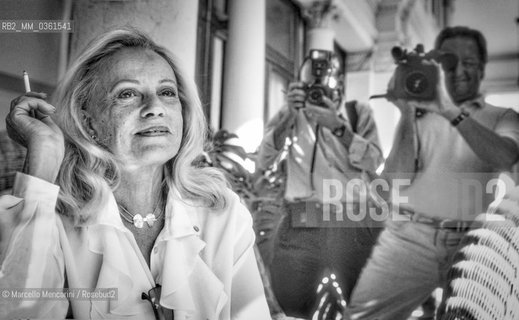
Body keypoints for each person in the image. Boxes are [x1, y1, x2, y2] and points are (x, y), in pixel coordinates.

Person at [0, 27, 270, 320]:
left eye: (167, 92)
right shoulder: (52, 217)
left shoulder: (222, 212)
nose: (154, 107)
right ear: (87, 119)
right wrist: (42, 159)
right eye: (127, 94)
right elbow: (17, 311)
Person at [346, 26, 519, 320]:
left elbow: (506, 156)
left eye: (470, 62)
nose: (460, 71)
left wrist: (450, 110)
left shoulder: (503, 117)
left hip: (475, 241)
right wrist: (407, 113)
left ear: (482, 68)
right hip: (410, 239)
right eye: (450, 63)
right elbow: (394, 183)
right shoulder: (418, 116)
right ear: (438, 68)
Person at [256, 50, 384, 318]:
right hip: (301, 221)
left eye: (323, 86)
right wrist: (290, 116)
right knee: (290, 301)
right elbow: (264, 159)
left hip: (350, 222)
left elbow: (374, 160)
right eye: (310, 87)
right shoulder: (290, 114)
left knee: (357, 303)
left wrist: (339, 128)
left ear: (338, 84)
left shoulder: (358, 113)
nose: (318, 93)